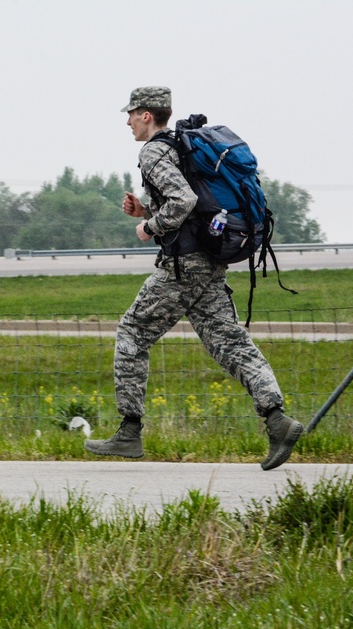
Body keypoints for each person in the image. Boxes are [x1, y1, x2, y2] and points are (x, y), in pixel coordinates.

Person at [83, 86, 303, 471]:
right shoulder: (179, 145)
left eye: (131, 114)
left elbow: (183, 202)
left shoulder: (153, 150)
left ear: (147, 115)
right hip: (209, 260)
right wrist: (145, 209)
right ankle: (277, 420)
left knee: (132, 333)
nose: (127, 121)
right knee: (229, 343)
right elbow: (194, 202)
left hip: (184, 266)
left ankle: (129, 432)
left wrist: (149, 226)